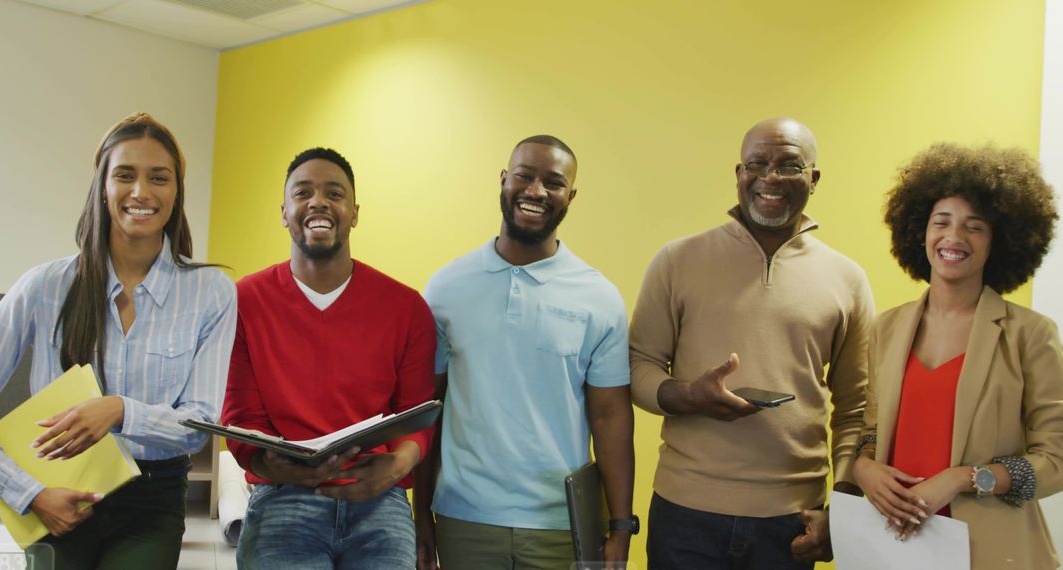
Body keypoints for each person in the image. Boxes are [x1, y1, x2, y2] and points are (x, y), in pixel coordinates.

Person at [0, 112, 237, 569]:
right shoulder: (43, 286)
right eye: (124, 175)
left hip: (152, 502)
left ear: (176, 191)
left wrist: (120, 411)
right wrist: (29, 493)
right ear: (103, 185)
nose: (141, 192)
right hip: (56, 492)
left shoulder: (212, 292)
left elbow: (199, 425)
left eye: (158, 177)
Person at [629, 117, 875, 569]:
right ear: (739, 174)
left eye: (789, 166)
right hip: (685, 514)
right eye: (756, 164)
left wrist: (843, 507)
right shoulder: (677, 260)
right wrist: (687, 396)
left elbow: (857, 408)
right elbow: (639, 365)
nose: (770, 178)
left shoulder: (848, 279)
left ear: (814, 179)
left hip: (792, 520)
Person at [415, 135, 635, 569]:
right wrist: (420, 514)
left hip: (563, 525)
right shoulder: (445, 289)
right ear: (504, 180)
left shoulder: (599, 297)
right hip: (465, 519)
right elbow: (428, 411)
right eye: (524, 176)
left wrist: (621, 527)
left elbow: (610, 417)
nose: (536, 191)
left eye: (553, 182)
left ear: (571, 196)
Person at [220, 147, 436, 570]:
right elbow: (242, 421)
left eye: (334, 193)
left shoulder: (406, 307)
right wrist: (274, 466)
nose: (318, 202)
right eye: (303, 193)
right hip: (283, 496)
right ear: (284, 213)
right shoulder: (243, 301)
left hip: (378, 496)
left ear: (354, 213)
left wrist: (396, 467)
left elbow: (417, 415)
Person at [853, 143, 1063, 569]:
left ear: (998, 241)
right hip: (895, 546)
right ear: (920, 231)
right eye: (942, 222)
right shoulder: (886, 328)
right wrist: (863, 469)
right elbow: (872, 431)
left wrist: (962, 479)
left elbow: (1056, 458)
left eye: (974, 227)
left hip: (989, 551)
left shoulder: (1031, 335)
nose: (954, 237)